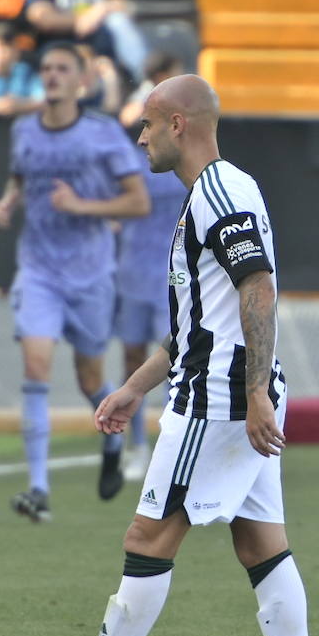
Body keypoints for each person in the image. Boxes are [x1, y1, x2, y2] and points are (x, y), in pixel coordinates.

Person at [1, 74, 319, 636]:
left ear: (179, 124)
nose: (139, 135)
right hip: (227, 385)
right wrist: (132, 388)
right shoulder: (207, 196)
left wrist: (256, 392)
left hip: (220, 397)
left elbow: (257, 289)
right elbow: (193, 330)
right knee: (260, 541)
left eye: (148, 122)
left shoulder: (219, 192)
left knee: (146, 538)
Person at [0, 42, 149, 523]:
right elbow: (19, 178)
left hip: (89, 272)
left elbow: (138, 202)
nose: (52, 75)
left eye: (63, 68)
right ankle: (38, 488)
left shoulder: (102, 135)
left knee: (87, 378)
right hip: (38, 268)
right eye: (46, 68)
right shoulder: (24, 130)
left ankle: (114, 437)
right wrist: (8, 201)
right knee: (36, 368)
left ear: (82, 81)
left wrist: (83, 207)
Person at [113, 146, 189, 480]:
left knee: (175, 362)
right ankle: (137, 446)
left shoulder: (186, 161)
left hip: (172, 277)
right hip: (132, 273)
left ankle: (174, 448)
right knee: (133, 359)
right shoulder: (130, 162)